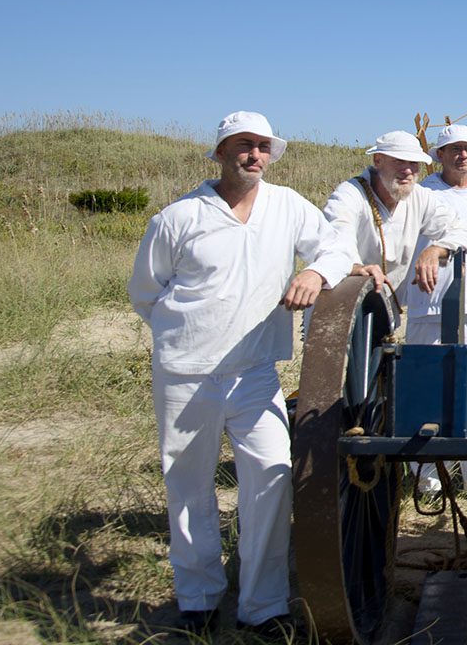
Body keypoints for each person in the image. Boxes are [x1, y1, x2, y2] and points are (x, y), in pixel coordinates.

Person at [129, 111, 353, 635]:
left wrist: (316, 271)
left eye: (262, 146)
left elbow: (338, 246)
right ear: (220, 153)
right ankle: (199, 599)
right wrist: (191, 335)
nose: (253, 155)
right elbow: (147, 292)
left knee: (272, 480)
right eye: (242, 145)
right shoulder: (177, 218)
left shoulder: (288, 207)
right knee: (189, 488)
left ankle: (263, 606)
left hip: (255, 374)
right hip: (187, 373)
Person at [404, 124, 467, 498]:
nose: (462, 155)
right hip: (428, 308)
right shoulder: (421, 194)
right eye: (454, 149)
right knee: (428, 390)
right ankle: (427, 479)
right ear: (440, 155)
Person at [321, 130, 467, 307]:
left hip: (384, 314)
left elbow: (463, 232)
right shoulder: (349, 196)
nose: (407, 170)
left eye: (413, 163)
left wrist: (436, 250)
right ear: (378, 160)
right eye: (399, 161)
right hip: (339, 311)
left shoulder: (419, 197)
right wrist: (355, 267)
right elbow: (336, 238)